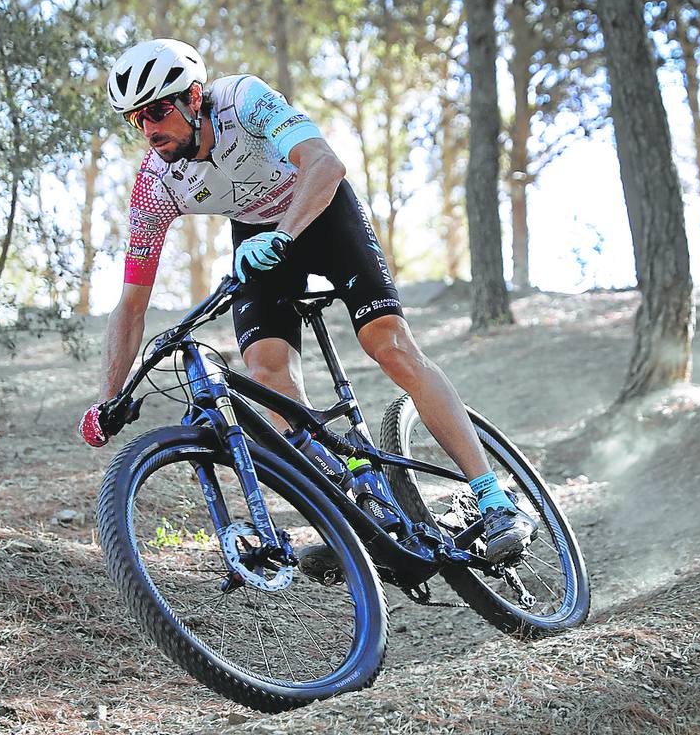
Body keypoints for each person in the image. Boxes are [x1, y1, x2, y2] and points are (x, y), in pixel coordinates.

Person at [77, 38, 535, 564]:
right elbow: (131, 303)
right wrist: (109, 397)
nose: (150, 129)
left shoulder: (243, 100)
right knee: (267, 376)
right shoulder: (155, 182)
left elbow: (324, 164)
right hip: (255, 238)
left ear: (195, 96)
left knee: (387, 344)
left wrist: (287, 232)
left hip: (318, 210)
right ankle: (359, 505)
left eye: (157, 111)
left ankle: (493, 497)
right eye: (137, 119)